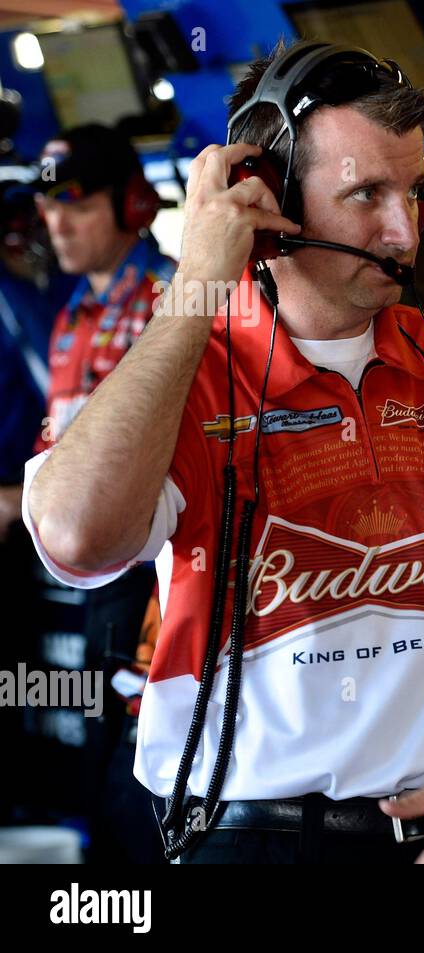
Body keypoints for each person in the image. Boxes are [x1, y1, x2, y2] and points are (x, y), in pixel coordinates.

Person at [23, 41, 424, 864]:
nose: (403, 230)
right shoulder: (189, 374)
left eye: (415, 190)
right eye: (365, 194)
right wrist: (198, 278)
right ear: (269, 202)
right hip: (260, 843)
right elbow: (76, 538)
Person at [4, 126, 174, 863]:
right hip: (86, 580)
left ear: (132, 204)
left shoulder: (178, 300)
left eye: (74, 204)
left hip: (154, 587)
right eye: (46, 208)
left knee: (138, 782)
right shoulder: (74, 311)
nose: (55, 224)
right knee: (93, 763)